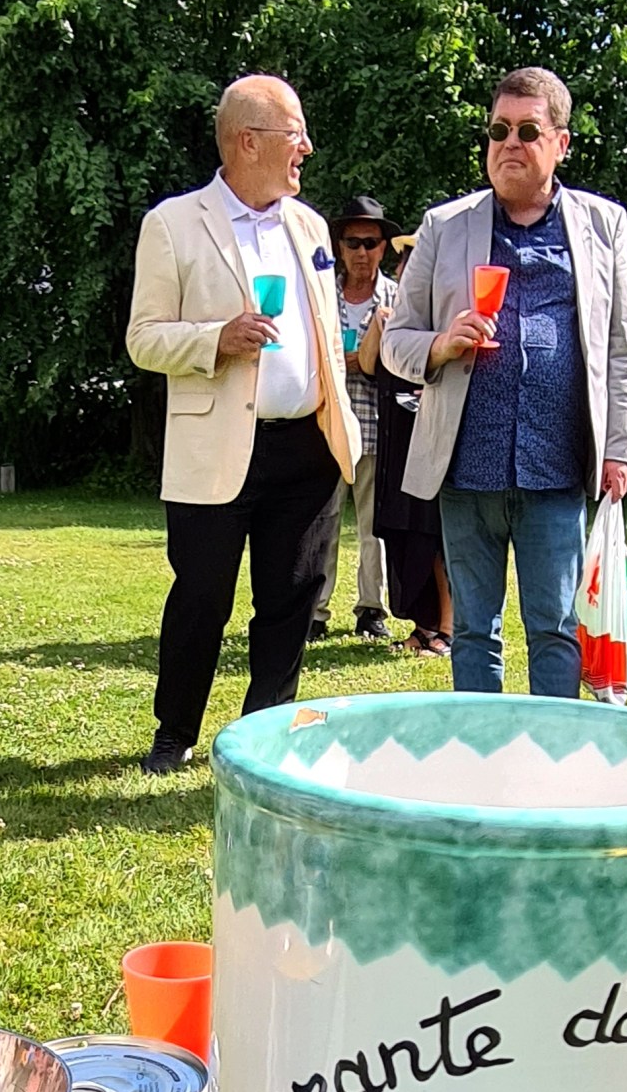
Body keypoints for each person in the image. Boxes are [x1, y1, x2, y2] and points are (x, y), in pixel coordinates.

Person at [126, 75, 361, 775]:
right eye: (296, 135)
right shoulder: (173, 223)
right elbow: (143, 338)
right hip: (217, 447)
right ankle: (174, 733)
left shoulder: (309, 225)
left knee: (294, 598)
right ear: (248, 142)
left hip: (308, 444)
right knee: (201, 598)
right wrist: (215, 339)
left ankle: (265, 737)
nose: (307, 148)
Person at [383, 65, 627, 698]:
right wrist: (441, 343)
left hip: (557, 468)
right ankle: (480, 751)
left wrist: (619, 447)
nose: (509, 144)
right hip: (465, 467)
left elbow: (621, 348)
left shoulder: (603, 224)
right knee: (473, 630)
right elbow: (394, 341)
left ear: (561, 143)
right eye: (499, 130)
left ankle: (553, 753)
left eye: (528, 131)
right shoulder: (444, 226)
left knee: (556, 628)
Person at [310, 197, 399, 643]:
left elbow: (404, 361)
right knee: (319, 526)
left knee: (373, 528)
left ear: (383, 248)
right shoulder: (320, 293)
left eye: (371, 242)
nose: (362, 252)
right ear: (339, 247)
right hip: (324, 425)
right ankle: (314, 611)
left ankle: (371, 609)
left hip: (377, 425)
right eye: (352, 243)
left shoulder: (397, 298)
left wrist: (363, 359)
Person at [366, 234, 453, 655]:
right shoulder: (397, 319)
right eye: (402, 260)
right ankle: (424, 624)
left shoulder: (447, 317)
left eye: (412, 260)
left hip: (434, 440)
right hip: (397, 443)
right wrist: (379, 325)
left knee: (435, 535)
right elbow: (369, 365)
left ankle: (449, 629)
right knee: (405, 536)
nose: (402, 269)